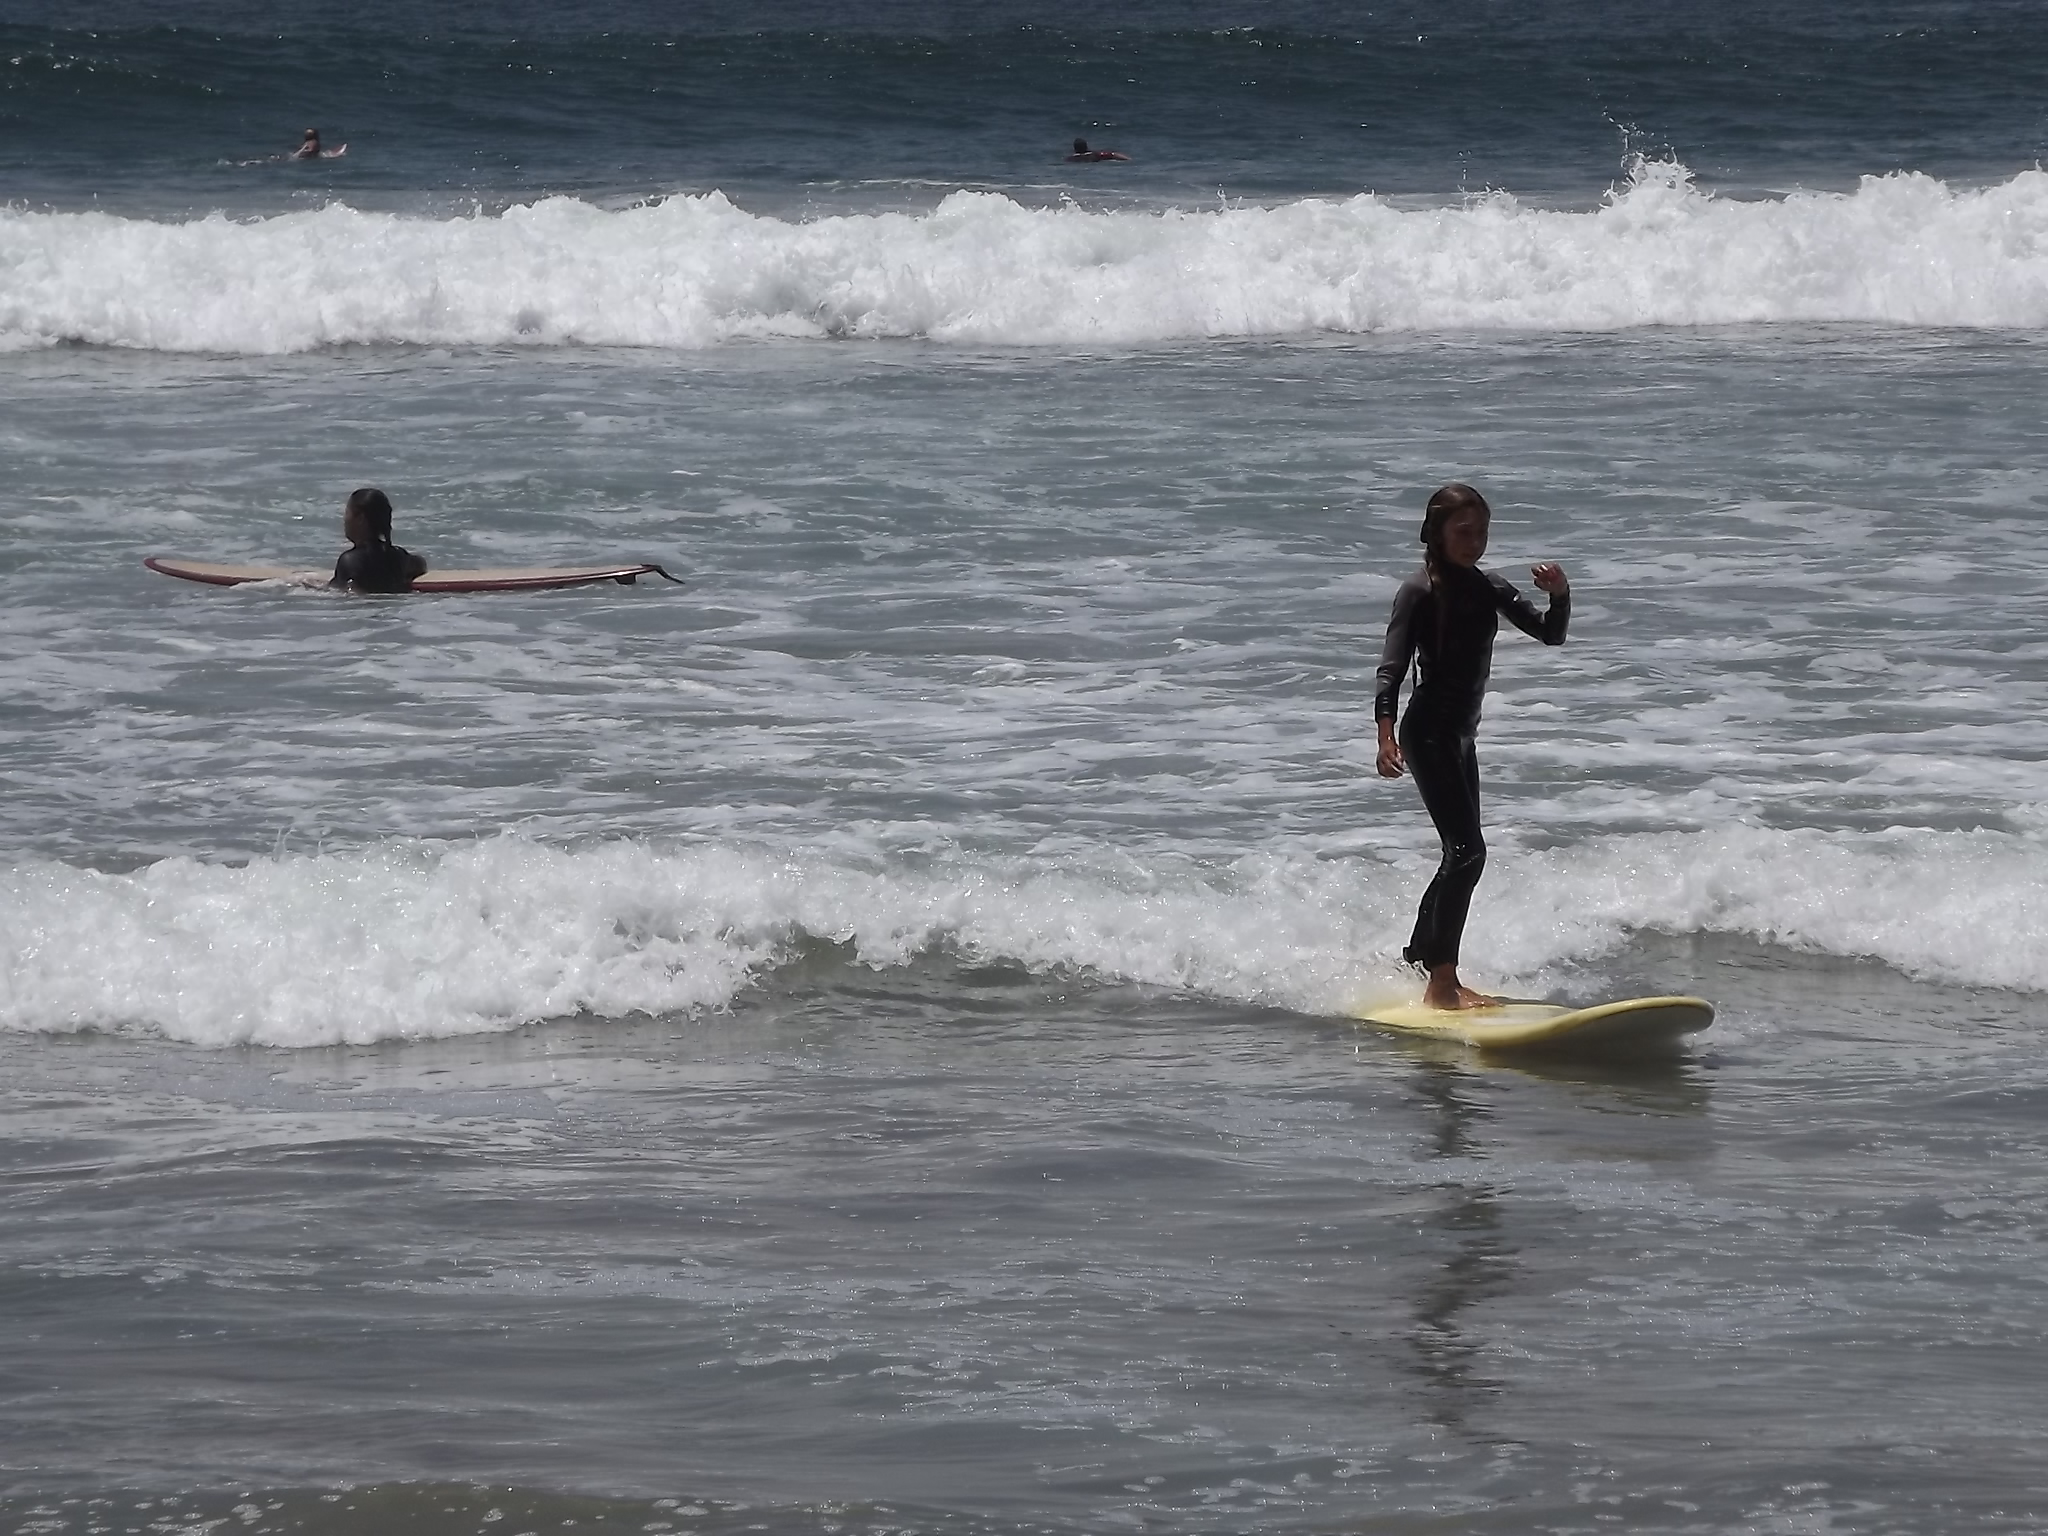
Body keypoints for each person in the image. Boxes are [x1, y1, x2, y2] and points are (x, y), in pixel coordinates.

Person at [1374, 483, 1569, 1010]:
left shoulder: (1489, 587)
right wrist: (1385, 735)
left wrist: (1560, 594)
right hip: (1428, 732)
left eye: (1482, 532)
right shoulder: (1419, 591)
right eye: (1464, 532)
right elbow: (1391, 669)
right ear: (1435, 533)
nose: (1475, 542)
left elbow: (1550, 634)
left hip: (1461, 738)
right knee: (1468, 853)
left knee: (1458, 855)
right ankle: (1442, 985)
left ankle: (1418, 960)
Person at [331, 487, 428, 593]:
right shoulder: (399, 556)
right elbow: (421, 565)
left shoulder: (349, 561)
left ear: (360, 519)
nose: (345, 520)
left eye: (347, 513)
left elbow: (345, 593)